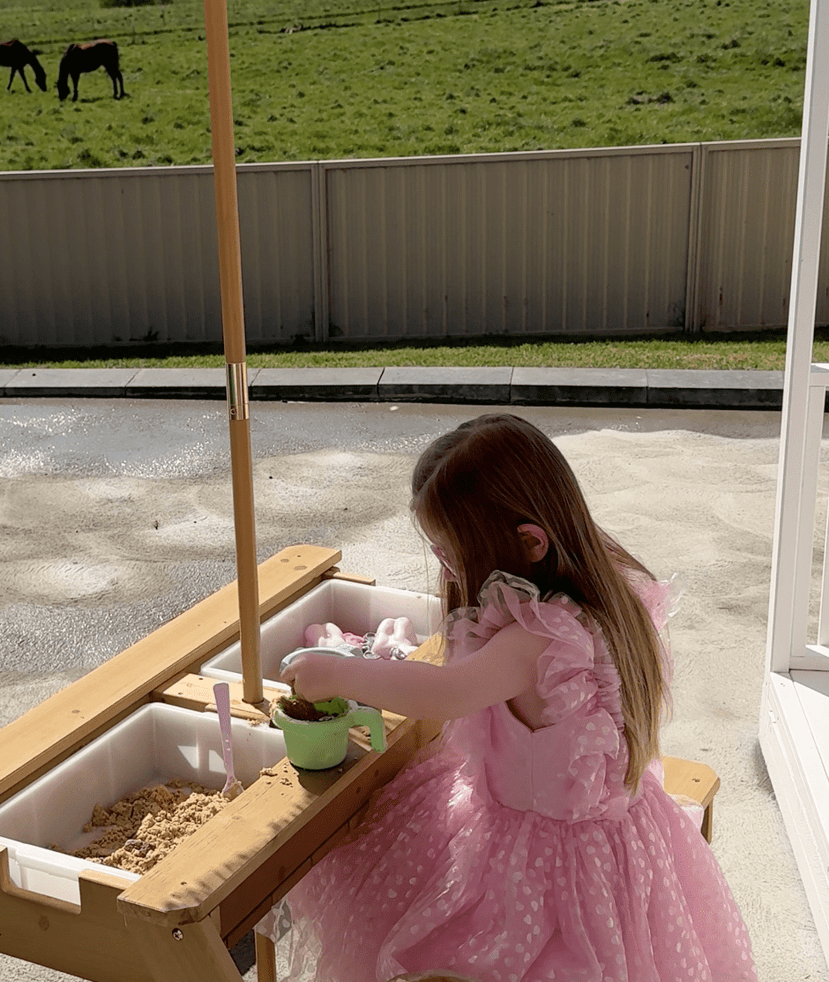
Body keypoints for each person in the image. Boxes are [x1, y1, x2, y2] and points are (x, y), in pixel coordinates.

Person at [270, 413, 757, 982]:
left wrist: (336, 675)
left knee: (386, 901)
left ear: (529, 541)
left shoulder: (540, 638)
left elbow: (447, 694)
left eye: (452, 552)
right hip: (622, 834)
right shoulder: (604, 590)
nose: (446, 568)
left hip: (545, 864)